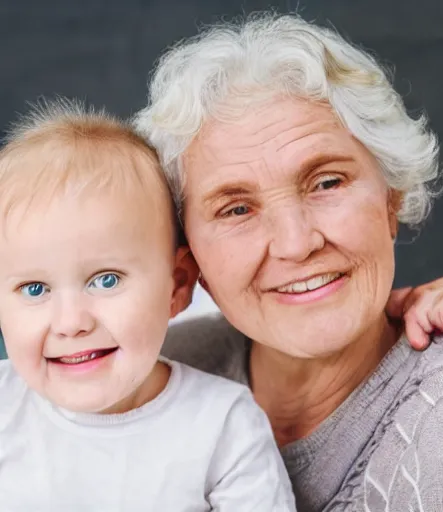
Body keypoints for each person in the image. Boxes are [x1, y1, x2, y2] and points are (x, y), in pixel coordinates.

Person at [134, 12, 443, 511]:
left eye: (327, 182)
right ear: (190, 256)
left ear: (391, 198)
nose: (296, 243)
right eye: (237, 209)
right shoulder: (152, 373)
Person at [0, 102, 295, 511]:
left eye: (105, 280)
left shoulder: (221, 425)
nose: (70, 323)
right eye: (34, 289)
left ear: (176, 286)